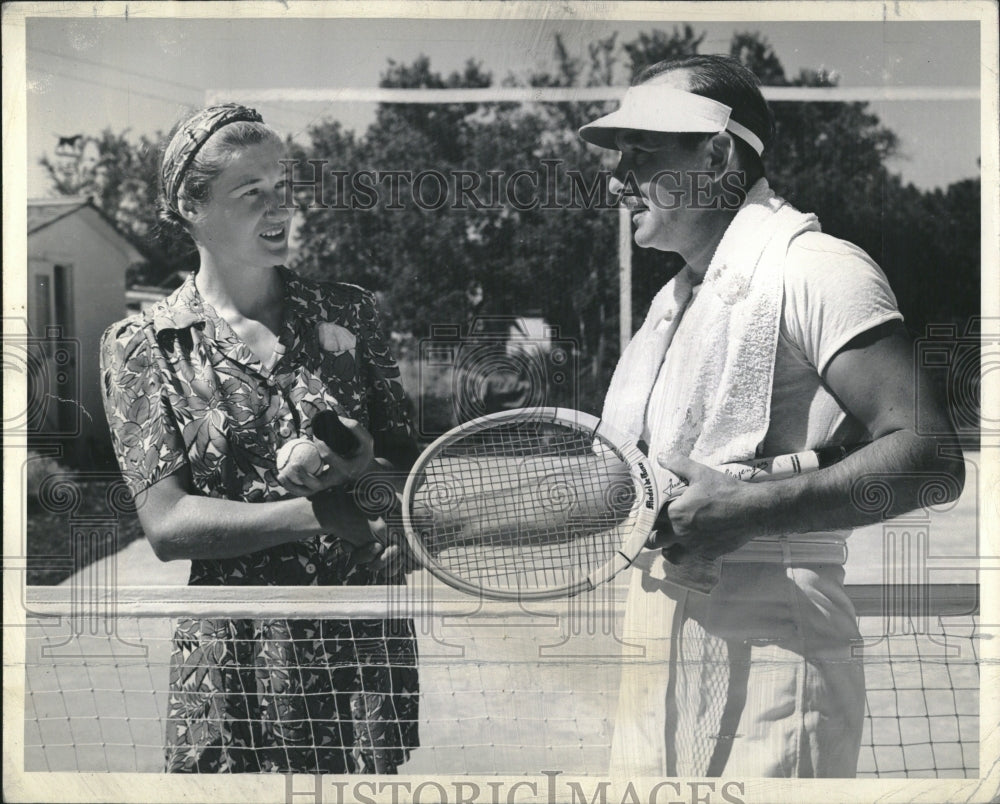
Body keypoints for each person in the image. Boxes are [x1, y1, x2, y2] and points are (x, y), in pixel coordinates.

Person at [578, 56, 964, 777]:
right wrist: (425, 523)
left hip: (779, 658)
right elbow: (615, 491)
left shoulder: (818, 268)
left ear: (718, 154)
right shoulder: (671, 308)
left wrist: (754, 510)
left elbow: (930, 458)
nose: (616, 180)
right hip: (659, 648)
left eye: (641, 157)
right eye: (616, 159)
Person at [99, 104, 419, 774]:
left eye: (284, 189)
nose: (280, 209)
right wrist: (322, 514)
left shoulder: (350, 314)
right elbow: (167, 523)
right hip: (234, 658)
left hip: (354, 647)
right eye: (252, 194)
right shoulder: (145, 347)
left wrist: (372, 481)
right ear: (192, 206)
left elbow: (405, 467)